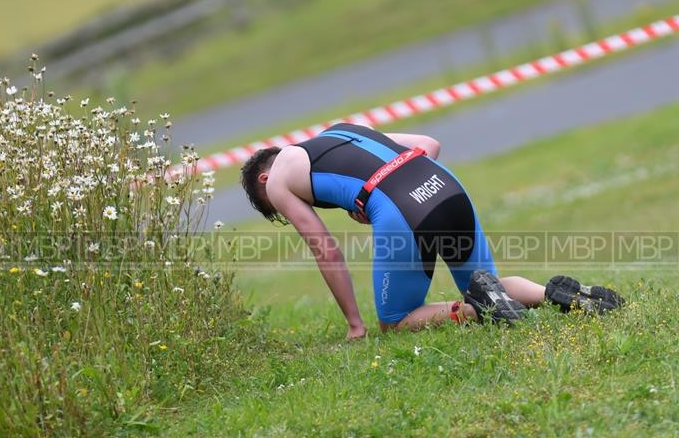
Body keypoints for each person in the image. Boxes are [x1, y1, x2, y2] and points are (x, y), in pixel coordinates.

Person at [240, 123, 623, 339]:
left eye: (278, 212)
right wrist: (386, 192)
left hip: (399, 210)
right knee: (483, 280)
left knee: (395, 321)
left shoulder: (277, 179)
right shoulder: (342, 129)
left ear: (264, 178)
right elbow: (428, 144)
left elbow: (326, 250)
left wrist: (356, 326)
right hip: (445, 185)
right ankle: (553, 294)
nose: (289, 211)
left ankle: (475, 310)